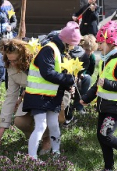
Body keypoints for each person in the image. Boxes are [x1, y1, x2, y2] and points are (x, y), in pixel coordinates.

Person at [80, 21, 117, 171]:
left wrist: (108, 84)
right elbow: (98, 84)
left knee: (106, 134)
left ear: (110, 42)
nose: (98, 47)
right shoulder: (106, 60)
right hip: (105, 105)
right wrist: (86, 98)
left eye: (101, 43)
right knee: (101, 136)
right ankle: (108, 168)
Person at [24, 21, 80, 158]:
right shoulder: (48, 50)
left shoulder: (61, 52)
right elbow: (47, 73)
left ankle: (56, 152)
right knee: (41, 126)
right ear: (67, 41)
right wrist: (68, 80)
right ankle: (32, 158)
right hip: (38, 95)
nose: (74, 47)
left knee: (54, 125)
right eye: (74, 44)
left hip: (52, 96)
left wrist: (68, 86)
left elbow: (57, 74)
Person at [0, 39, 51, 152]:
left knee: (47, 117)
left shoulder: (39, 61)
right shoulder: (10, 67)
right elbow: (10, 95)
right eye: (10, 61)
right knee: (20, 121)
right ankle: (36, 137)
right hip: (31, 96)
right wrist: (2, 127)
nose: (13, 64)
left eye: (15, 60)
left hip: (49, 95)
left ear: (24, 56)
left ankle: (48, 138)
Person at [73, 34, 98, 113]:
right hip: (74, 75)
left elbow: (90, 71)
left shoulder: (92, 57)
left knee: (87, 79)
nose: (89, 52)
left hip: (83, 77)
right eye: (87, 50)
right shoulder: (77, 54)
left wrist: (84, 74)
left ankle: (79, 105)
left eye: (91, 50)